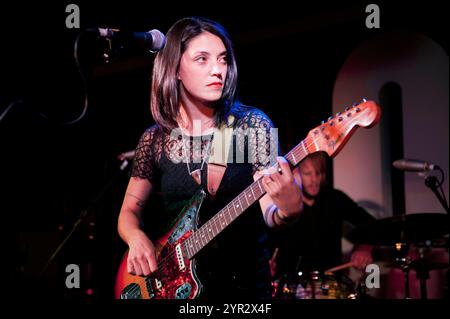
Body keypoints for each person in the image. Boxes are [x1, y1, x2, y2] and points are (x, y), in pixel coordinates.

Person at [117, 16, 304, 300]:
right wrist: (136, 238)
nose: (218, 69)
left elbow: (270, 211)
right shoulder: (154, 139)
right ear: (176, 68)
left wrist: (288, 209)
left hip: (243, 293)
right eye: (202, 59)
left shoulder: (251, 124)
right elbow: (128, 212)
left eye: (223, 59)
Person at [269, 151, 375, 295]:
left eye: (318, 173)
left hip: (330, 287)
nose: (314, 180)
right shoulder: (283, 207)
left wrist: (364, 248)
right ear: (296, 175)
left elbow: (371, 225)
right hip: (291, 288)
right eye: (308, 174)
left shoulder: (335, 199)